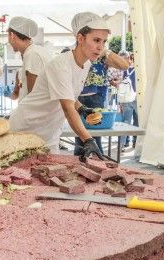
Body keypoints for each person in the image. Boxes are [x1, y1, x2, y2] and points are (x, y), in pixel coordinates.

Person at [10, 12, 110, 160]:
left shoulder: (86, 63)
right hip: (26, 127)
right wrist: (88, 140)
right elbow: (67, 107)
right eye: (96, 40)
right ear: (80, 38)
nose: (100, 47)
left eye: (104, 41)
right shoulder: (61, 65)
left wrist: (82, 109)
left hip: (49, 133)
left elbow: (68, 94)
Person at [74, 42, 129, 157]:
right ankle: (80, 166)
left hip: (96, 97)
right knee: (79, 137)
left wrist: (106, 51)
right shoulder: (75, 51)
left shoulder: (101, 54)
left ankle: (98, 166)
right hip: (76, 97)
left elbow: (125, 65)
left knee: (95, 136)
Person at [7, 16, 51, 101]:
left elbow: (33, 98)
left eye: (7, 35)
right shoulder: (34, 51)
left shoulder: (32, 54)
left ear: (12, 35)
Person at [117, 51, 138, 149]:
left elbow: (119, 83)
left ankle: (123, 143)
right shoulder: (139, 70)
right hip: (137, 98)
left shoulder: (124, 70)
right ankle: (136, 142)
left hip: (126, 99)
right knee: (137, 122)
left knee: (126, 121)